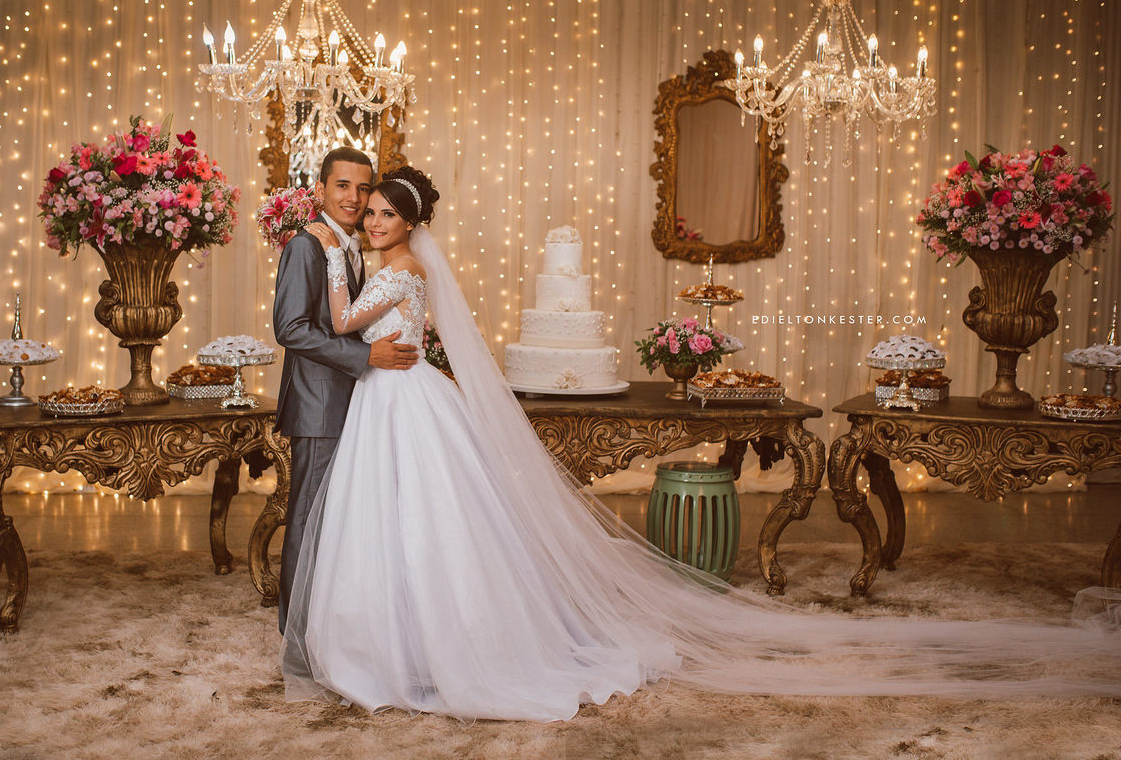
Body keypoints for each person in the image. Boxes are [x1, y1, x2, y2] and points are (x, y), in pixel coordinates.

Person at [282, 166, 1120, 722]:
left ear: (408, 221)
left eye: (388, 210)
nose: (376, 216)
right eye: (372, 207)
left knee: (418, 514)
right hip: (392, 392)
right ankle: (397, 632)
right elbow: (340, 328)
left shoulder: (383, 265)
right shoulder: (395, 262)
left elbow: (338, 318)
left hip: (397, 392)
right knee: (404, 514)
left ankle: (411, 641)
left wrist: (338, 266)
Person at [271, 147, 418, 635]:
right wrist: (365, 357)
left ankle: (331, 629)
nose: (354, 198)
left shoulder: (352, 247)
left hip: (355, 404)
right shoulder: (306, 246)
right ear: (320, 189)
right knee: (309, 519)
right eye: (342, 186)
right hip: (318, 406)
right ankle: (296, 636)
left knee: (338, 522)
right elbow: (291, 328)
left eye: (362, 188)